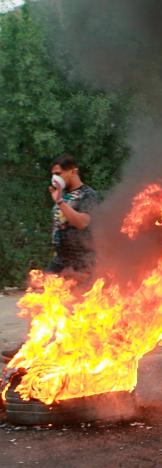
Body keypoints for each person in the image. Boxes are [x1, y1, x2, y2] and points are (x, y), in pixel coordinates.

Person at [2, 154, 99, 361]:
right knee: (39, 299)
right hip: (61, 259)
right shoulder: (62, 195)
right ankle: (30, 347)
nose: (55, 178)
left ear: (73, 171)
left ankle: (82, 352)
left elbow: (82, 222)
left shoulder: (87, 195)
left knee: (78, 308)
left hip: (82, 261)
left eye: (59, 173)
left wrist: (60, 202)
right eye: (53, 174)